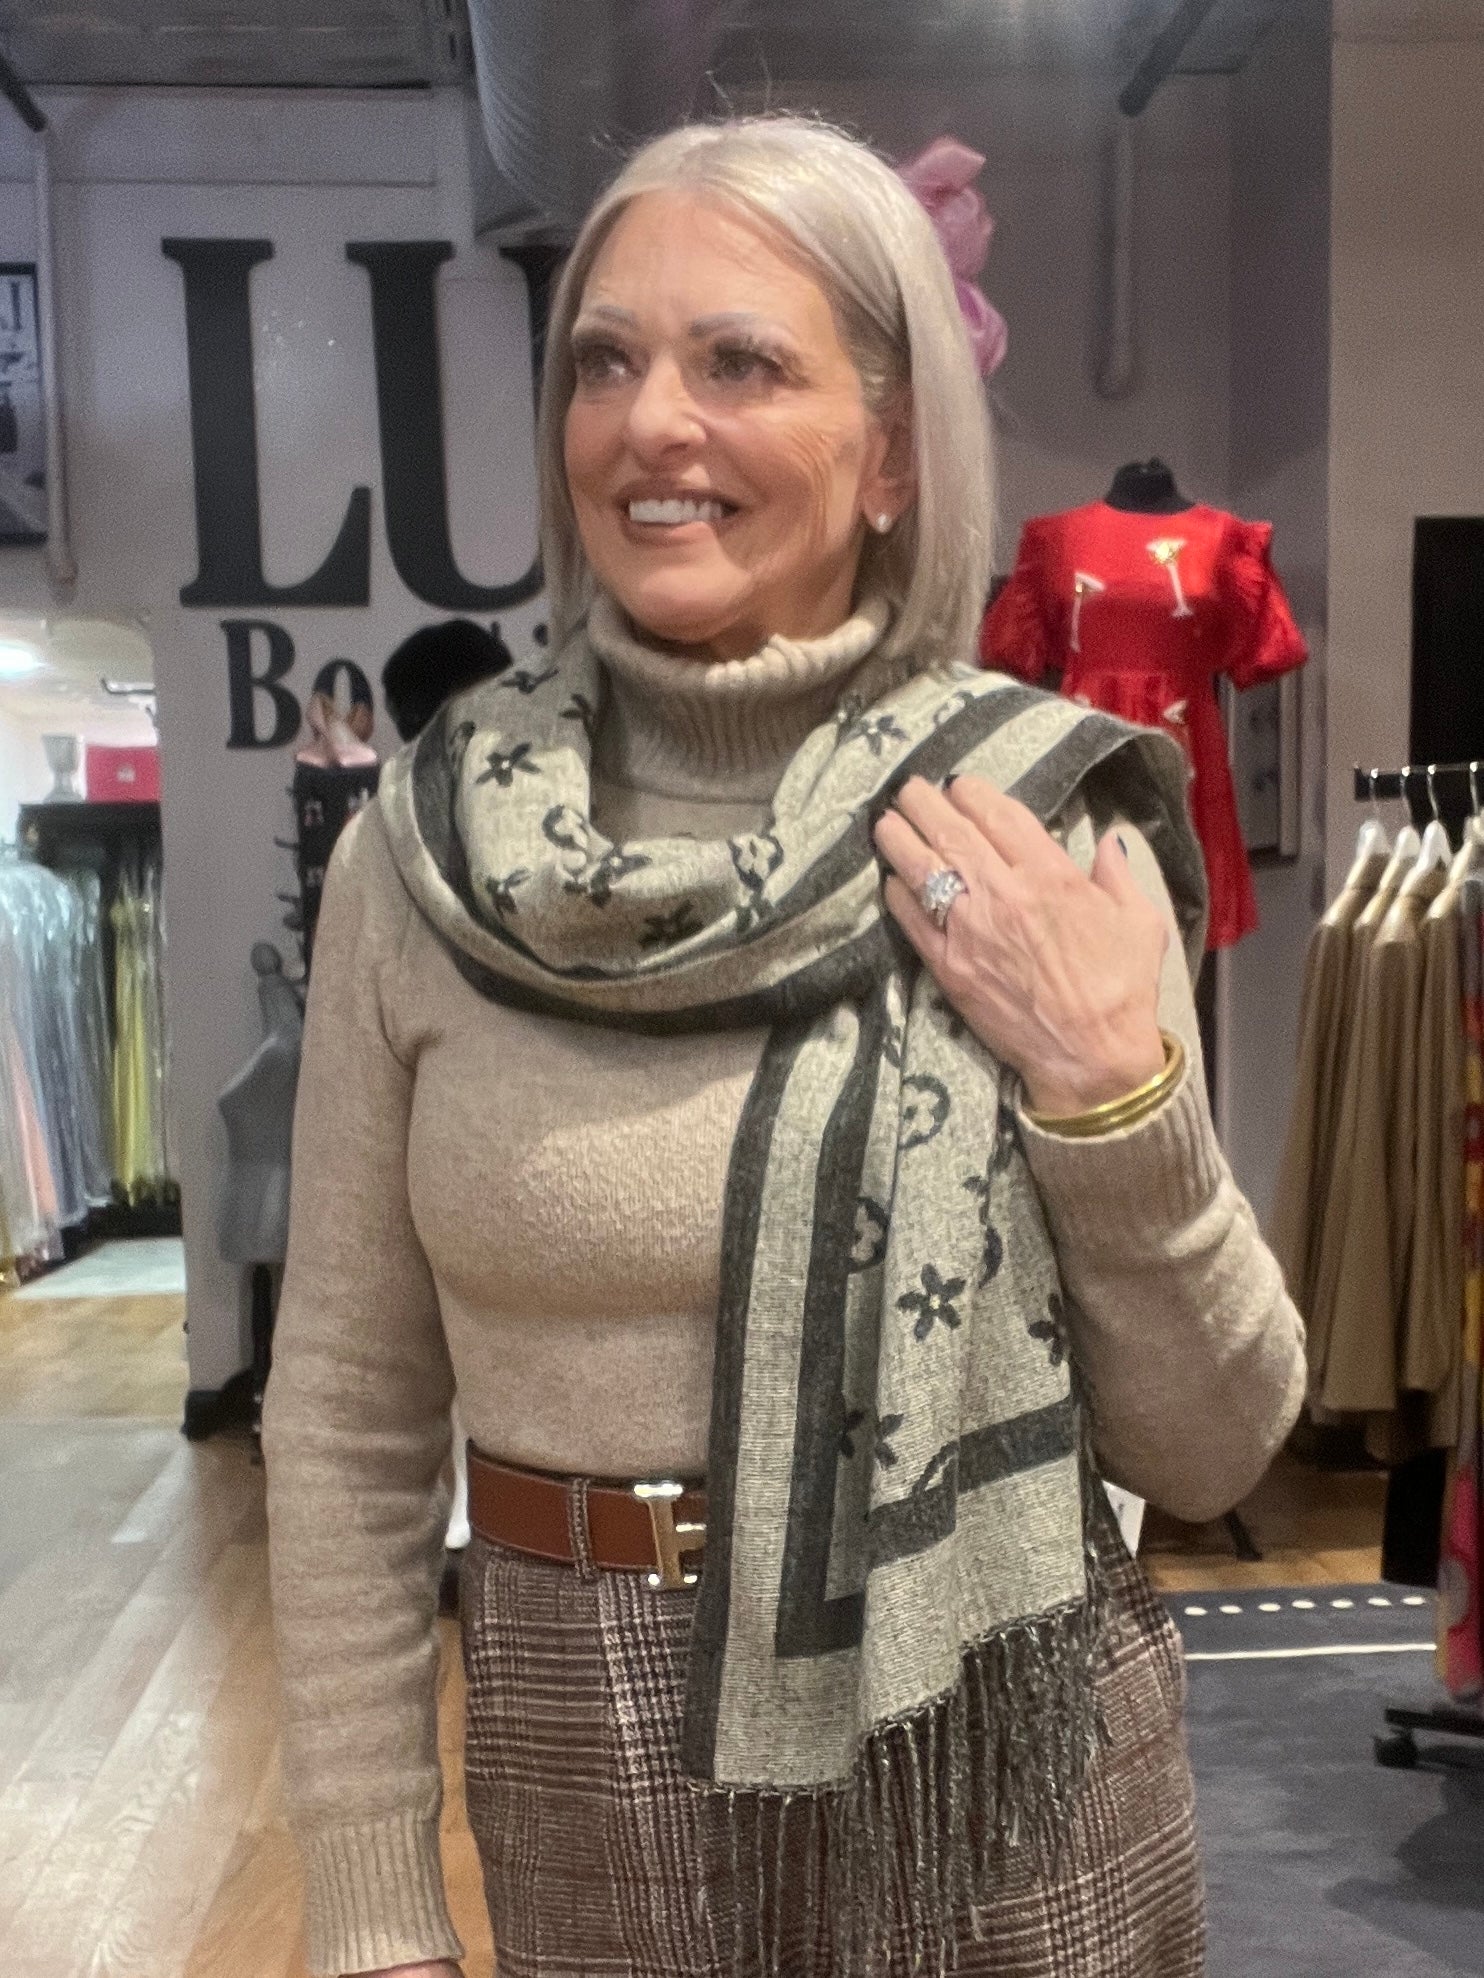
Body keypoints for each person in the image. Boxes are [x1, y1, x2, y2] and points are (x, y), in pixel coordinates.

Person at [262, 116, 1306, 1978]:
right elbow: (344, 1413)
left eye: (740, 360)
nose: (652, 422)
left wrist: (1106, 1088)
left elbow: (1217, 1445)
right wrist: (367, 1904)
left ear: (894, 447)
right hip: (583, 1727)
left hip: (994, 1737)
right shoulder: (421, 855)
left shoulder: (1043, 828)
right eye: (607, 359)